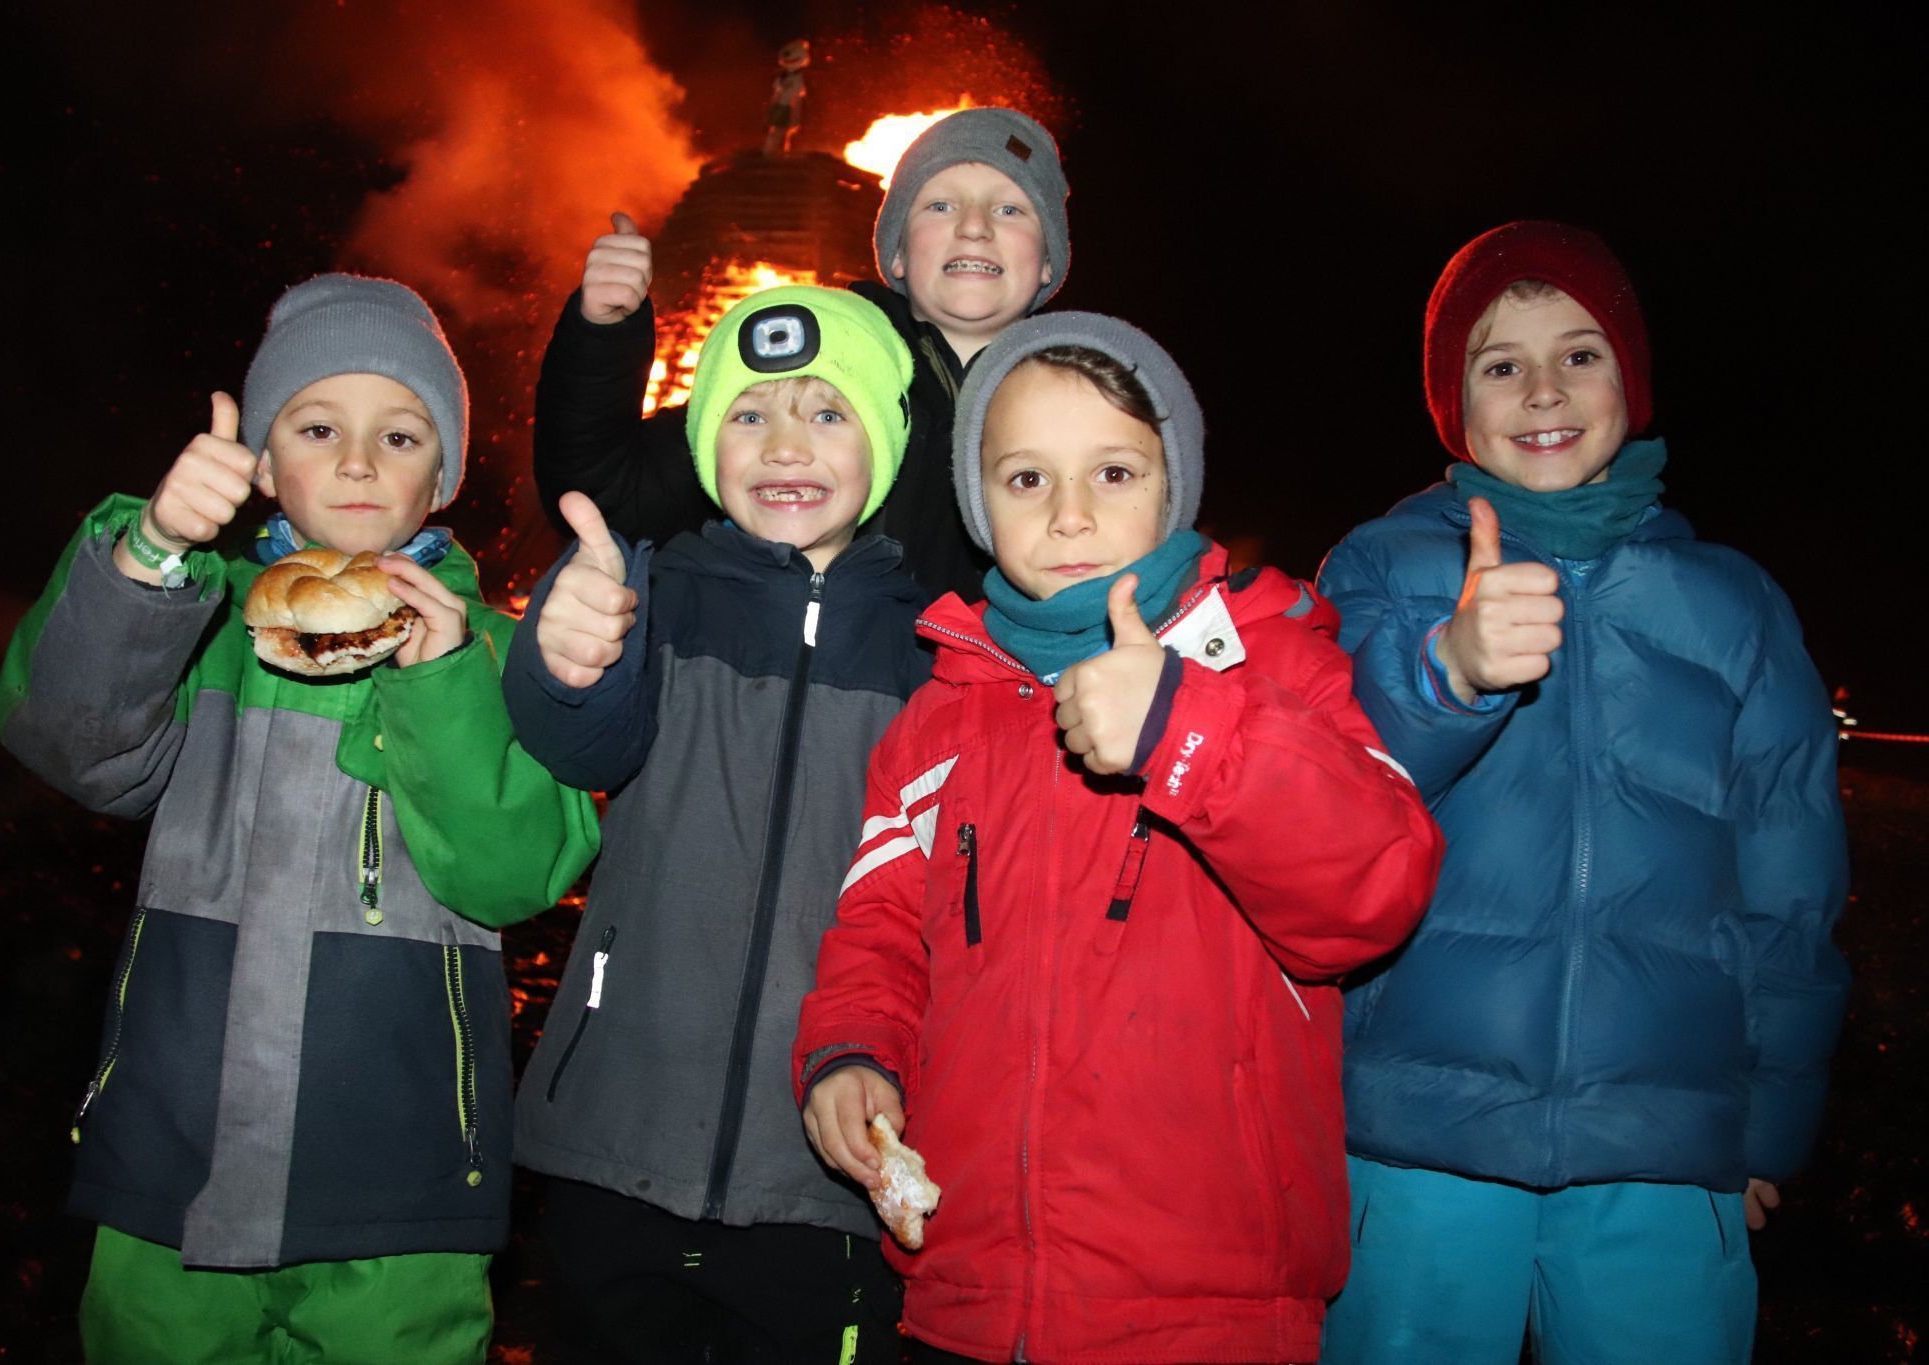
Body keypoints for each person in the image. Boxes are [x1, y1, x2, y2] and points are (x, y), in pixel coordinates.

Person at [793, 314, 1444, 1363]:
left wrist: (1190, 731)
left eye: (1112, 472)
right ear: (977, 503)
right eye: (1025, 479)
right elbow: (879, 931)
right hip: (965, 1294)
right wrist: (852, 1056)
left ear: (1172, 483)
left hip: (1207, 1303)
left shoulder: (1271, 665)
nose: (1068, 515)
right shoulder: (937, 718)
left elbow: (1373, 892)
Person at [0, 274, 600, 1363]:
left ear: (442, 477)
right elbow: (74, 744)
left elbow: (512, 874)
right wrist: (149, 555)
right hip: (170, 1161)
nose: (359, 462)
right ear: (263, 464)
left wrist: (441, 684)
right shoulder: (201, 621)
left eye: (400, 435)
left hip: (398, 1183)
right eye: (319, 428)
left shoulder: (497, 651)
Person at [1314, 220, 1851, 1364]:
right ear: (1453, 403)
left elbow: (1792, 886)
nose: (1542, 390)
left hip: (1661, 1150)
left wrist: (1768, 1123)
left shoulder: (1734, 604)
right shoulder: (1381, 567)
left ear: (1630, 380)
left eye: (1579, 353)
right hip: (1416, 1143)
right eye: (1498, 364)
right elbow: (1322, 797)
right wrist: (1446, 672)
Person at [503, 286, 932, 1363]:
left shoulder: (930, 650)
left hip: (829, 1173)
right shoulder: (660, 596)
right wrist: (566, 652)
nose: (784, 444)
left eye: (826, 413)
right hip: (619, 1136)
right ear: (704, 446)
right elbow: (580, 743)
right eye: (748, 415)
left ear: (885, 445)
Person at [533, 106, 1072, 599]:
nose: (974, 227)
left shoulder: (1084, 402)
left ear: (1048, 262)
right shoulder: (815, 362)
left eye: (1009, 209)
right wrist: (603, 335)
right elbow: (612, 493)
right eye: (940, 205)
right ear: (897, 254)